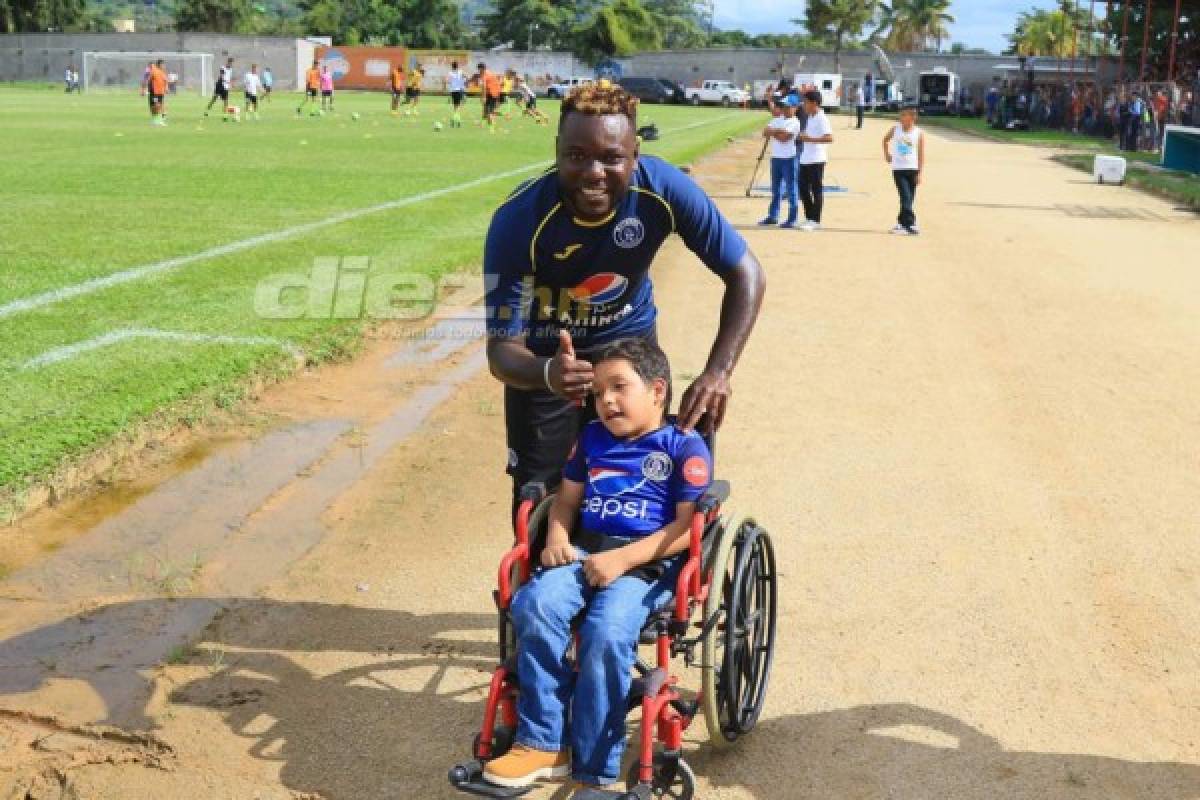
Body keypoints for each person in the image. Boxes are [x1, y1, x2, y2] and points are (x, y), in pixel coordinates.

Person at [482, 83, 765, 515]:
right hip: (548, 359)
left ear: (635, 155)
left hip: (630, 349)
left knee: (641, 487)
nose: (594, 172)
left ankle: (635, 573)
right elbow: (502, 352)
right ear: (557, 150)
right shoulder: (519, 220)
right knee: (540, 505)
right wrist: (547, 372)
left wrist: (717, 373)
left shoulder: (664, 190)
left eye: (612, 158)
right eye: (577, 156)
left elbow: (746, 274)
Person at [481, 337, 713, 792]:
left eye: (619, 387)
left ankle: (594, 769)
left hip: (647, 564)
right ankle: (544, 741)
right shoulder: (591, 439)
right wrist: (556, 537)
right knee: (535, 604)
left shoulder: (684, 446)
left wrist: (623, 559)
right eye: (598, 393)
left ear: (658, 390)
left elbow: (688, 529)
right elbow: (565, 502)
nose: (605, 400)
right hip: (586, 553)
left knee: (606, 633)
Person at [759, 94, 801, 228]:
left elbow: (785, 138)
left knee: (791, 189)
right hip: (776, 158)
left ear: (795, 108)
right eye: (783, 106)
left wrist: (773, 132)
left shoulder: (795, 122)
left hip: (789, 159)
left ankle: (792, 218)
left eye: (788, 107)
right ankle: (773, 216)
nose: (784, 109)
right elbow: (765, 132)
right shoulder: (778, 119)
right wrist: (778, 131)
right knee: (775, 189)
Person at [883, 105, 925, 236]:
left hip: (912, 169)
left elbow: (921, 154)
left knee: (909, 199)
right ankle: (911, 224)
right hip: (899, 169)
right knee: (905, 197)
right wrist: (887, 154)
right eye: (900, 115)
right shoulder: (895, 129)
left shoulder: (919, 133)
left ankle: (901, 224)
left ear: (912, 117)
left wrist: (919, 173)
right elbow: (885, 140)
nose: (900, 118)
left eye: (903, 115)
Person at [797, 89, 833, 232]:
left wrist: (809, 139)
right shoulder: (810, 117)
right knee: (803, 189)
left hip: (817, 159)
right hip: (806, 158)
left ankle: (815, 220)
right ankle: (809, 217)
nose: (803, 105)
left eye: (806, 102)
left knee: (816, 189)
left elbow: (829, 138)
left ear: (814, 103)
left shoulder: (821, 118)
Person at [478, 62, 501, 131]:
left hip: (490, 94)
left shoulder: (484, 75)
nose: (479, 71)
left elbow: (484, 87)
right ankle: (486, 124)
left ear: (481, 68)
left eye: (479, 69)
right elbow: (497, 83)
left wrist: (483, 97)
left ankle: (492, 128)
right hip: (495, 93)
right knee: (488, 112)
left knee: (489, 113)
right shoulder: (491, 73)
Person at [147, 58, 168, 126]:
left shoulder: (163, 72)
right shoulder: (154, 71)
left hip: (161, 92)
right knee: (155, 106)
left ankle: (159, 121)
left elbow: (165, 81)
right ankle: (156, 121)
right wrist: (147, 89)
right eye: (163, 64)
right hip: (154, 92)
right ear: (159, 64)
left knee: (159, 106)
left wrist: (166, 88)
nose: (164, 66)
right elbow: (149, 80)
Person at [446, 60, 467, 127]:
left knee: (455, 107)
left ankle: (455, 120)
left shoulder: (450, 73)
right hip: (460, 91)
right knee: (458, 107)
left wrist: (449, 94)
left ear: (452, 66)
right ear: (458, 66)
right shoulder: (461, 72)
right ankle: (456, 120)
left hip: (453, 91)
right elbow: (465, 78)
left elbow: (448, 82)